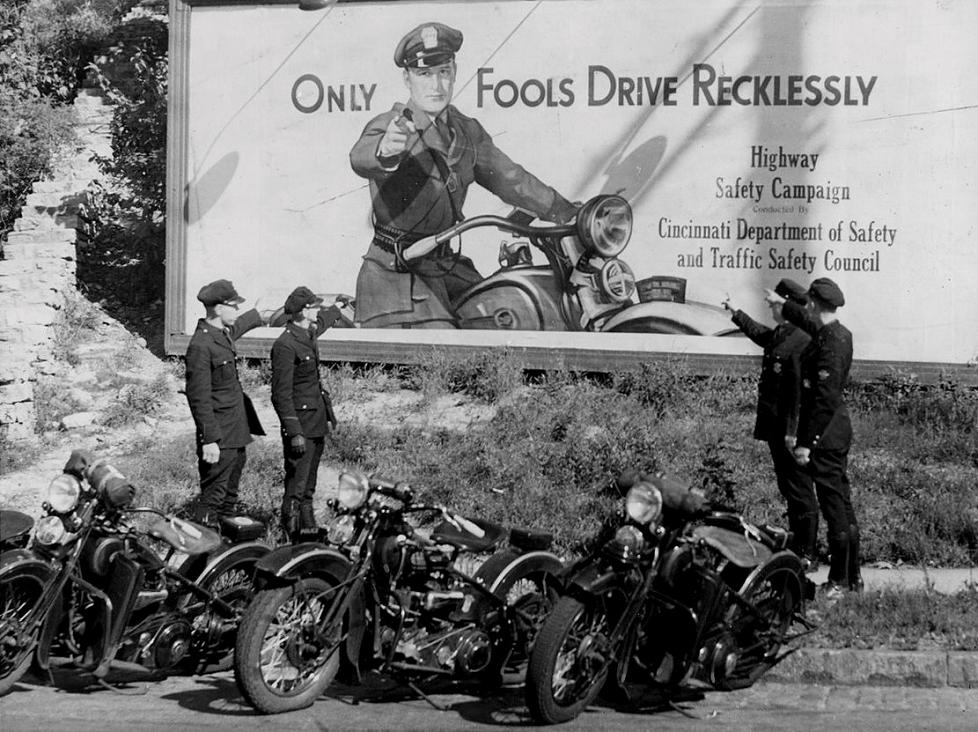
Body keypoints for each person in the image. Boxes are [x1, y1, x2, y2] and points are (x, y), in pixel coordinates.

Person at [349, 21, 577, 328]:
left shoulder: (466, 130)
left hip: (447, 267)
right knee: (452, 348)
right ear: (407, 78)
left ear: (455, 72)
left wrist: (565, 212)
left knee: (505, 312)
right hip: (398, 278)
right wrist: (385, 151)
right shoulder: (391, 125)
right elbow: (362, 156)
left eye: (443, 72)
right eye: (424, 74)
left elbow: (511, 178)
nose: (436, 85)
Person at [766, 277, 862, 598]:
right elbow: (805, 317)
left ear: (814, 304)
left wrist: (808, 442)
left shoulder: (832, 341)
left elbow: (824, 398)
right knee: (842, 504)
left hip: (827, 435)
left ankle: (839, 582)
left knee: (836, 507)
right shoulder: (831, 331)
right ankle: (853, 578)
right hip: (833, 432)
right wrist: (782, 305)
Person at [724, 279, 817, 566]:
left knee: (800, 488)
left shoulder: (801, 340)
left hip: (789, 430)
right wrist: (735, 312)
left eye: (773, 302)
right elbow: (761, 335)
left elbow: (800, 394)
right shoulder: (782, 333)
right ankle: (798, 542)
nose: (769, 307)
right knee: (788, 485)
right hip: (776, 427)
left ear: (785, 305)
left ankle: (807, 552)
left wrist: (793, 432)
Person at [185, 279, 266, 525]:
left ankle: (226, 551)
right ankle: (201, 553)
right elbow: (198, 397)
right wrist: (209, 438)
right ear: (219, 309)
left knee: (230, 496)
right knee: (213, 497)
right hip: (219, 435)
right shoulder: (201, 345)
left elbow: (238, 326)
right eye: (234, 305)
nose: (237, 310)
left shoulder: (221, 334)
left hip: (236, 431)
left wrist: (257, 314)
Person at [270, 286, 346, 540]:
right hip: (301, 425)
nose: (318, 311)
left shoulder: (307, 332)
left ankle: (308, 532)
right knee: (296, 484)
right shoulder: (285, 344)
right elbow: (280, 394)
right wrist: (294, 432)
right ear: (303, 311)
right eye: (314, 306)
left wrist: (338, 308)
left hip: (315, 420)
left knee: (309, 485)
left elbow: (323, 322)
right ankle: (290, 536)